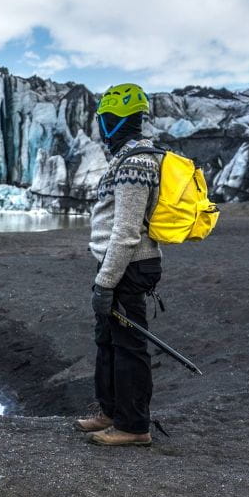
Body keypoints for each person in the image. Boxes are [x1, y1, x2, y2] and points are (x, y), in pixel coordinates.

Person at [75, 83, 163, 447]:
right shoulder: (127, 160)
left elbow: (126, 231)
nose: (100, 128)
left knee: (128, 345)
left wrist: (106, 282)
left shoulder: (137, 164)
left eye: (104, 120)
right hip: (117, 266)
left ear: (114, 122)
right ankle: (110, 412)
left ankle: (133, 426)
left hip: (128, 266)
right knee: (109, 339)